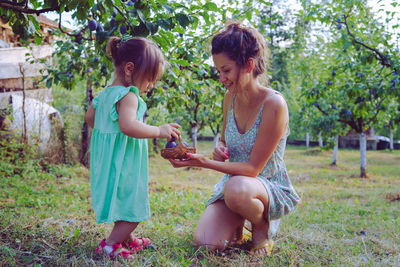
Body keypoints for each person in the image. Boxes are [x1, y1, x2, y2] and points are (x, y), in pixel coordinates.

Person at [169, 22, 300, 256]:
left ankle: (261, 226)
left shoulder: (274, 104)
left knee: (237, 188)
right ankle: (238, 222)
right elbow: (225, 141)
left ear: (248, 65)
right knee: (206, 243)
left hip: (264, 186)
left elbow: (252, 169)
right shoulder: (230, 98)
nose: (221, 78)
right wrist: (220, 148)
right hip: (233, 187)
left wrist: (202, 162)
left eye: (226, 70)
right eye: (219, 71)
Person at [84, 36, 181, 261]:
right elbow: (128, 126)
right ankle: (110, 245)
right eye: (150, 79)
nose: (151, 85)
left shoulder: (105, 94)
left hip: (107, 161)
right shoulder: (129, 96)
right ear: (130, 69)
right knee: (134, 208)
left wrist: (108, 134)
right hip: (124, 162)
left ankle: (127, 239)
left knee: (122, 201)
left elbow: (91, 118)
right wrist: (159, 130)